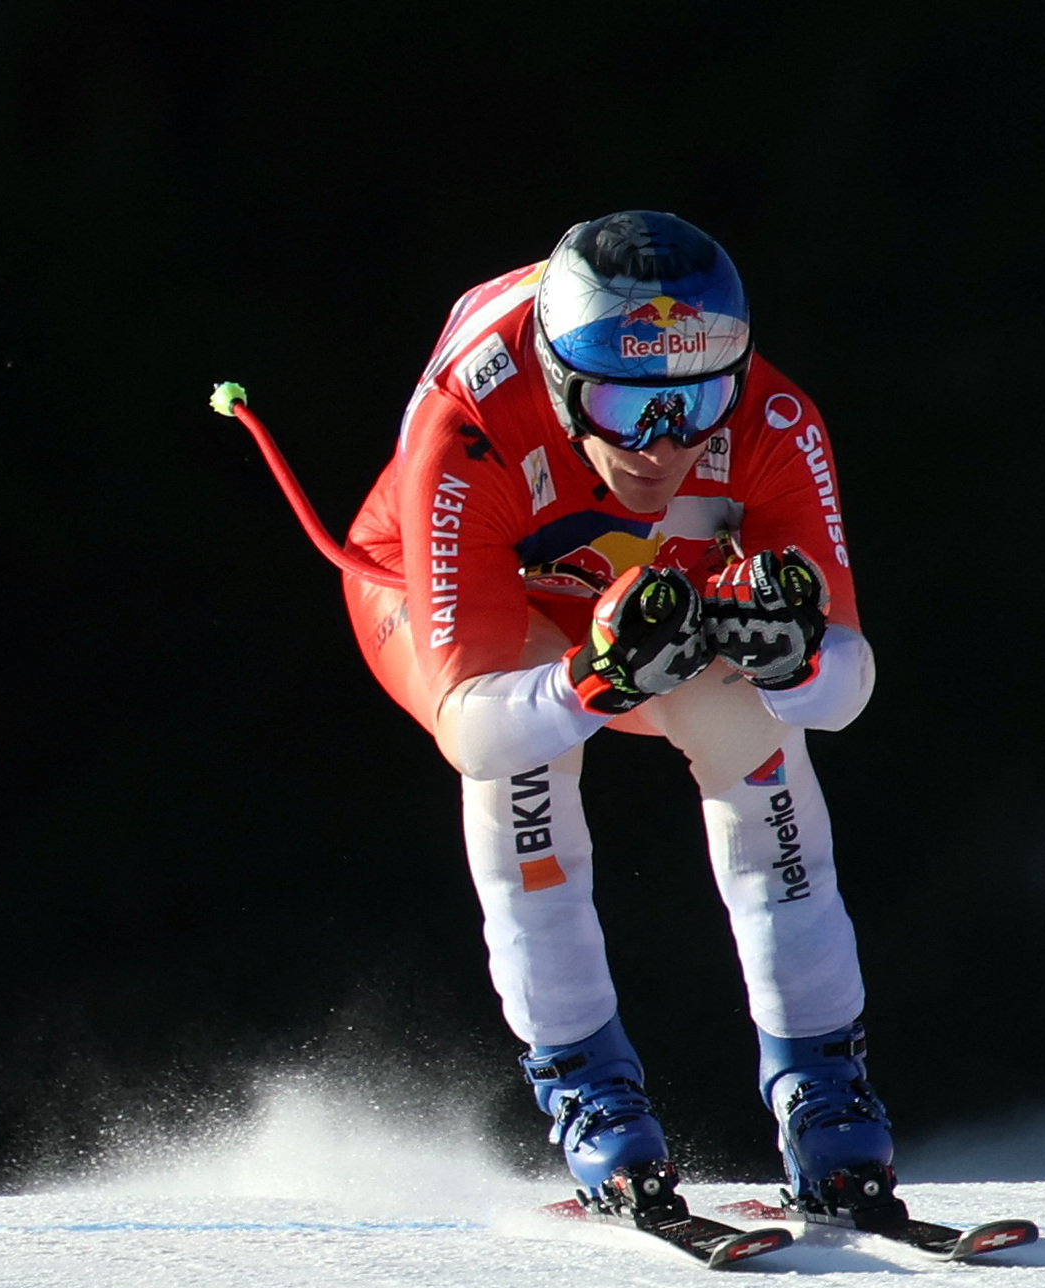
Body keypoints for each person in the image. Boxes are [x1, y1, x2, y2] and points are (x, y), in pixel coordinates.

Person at [342, 210, 895, 1219]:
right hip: (467, 598)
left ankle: (824, 1090)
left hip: (642, 593)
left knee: (754, 727)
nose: (662, 444)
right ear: (559, 382)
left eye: (694, 405)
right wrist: (586, 685)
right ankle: (588, 1092)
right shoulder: (473, 415)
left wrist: (791, 663)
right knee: (518, 767)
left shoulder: (771, 418)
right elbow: (467, 723)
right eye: (622, 403)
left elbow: (846, 686)